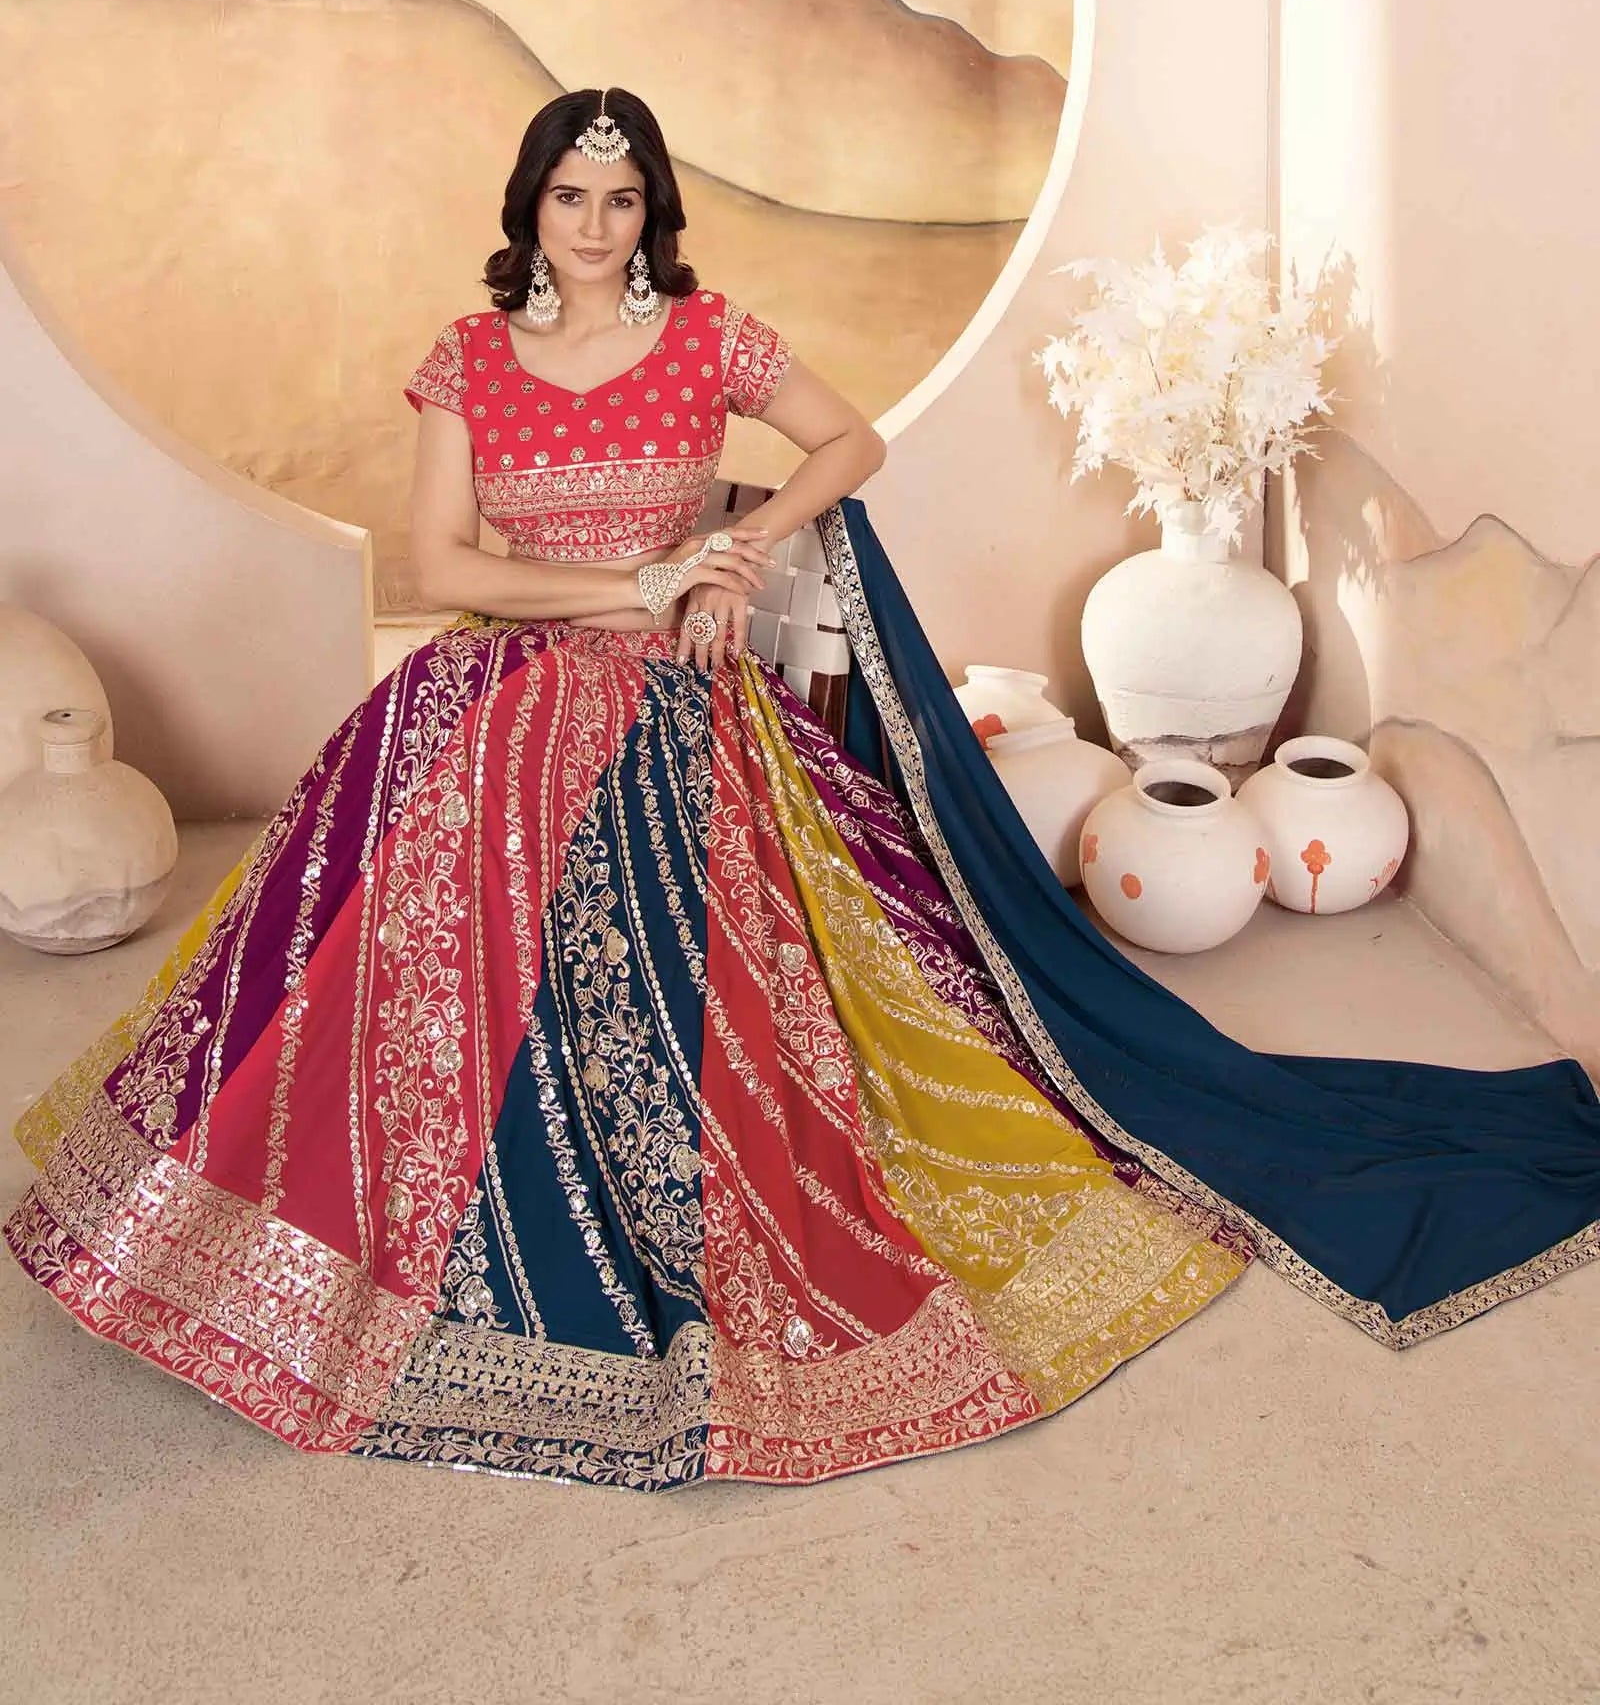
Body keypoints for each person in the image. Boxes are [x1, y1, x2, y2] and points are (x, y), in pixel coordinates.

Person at [7, 88, 1598, 1490]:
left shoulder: (714, 339)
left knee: (746, 948)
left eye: (621, 197)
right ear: (529, 207)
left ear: (651, 211)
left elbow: (851, 445)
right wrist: (640, 585)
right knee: (398, 896)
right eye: (569, 194)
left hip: (674, 692)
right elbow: (446, 565)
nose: (592, 224)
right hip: (506, 680)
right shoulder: (468, 358)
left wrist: (740, 546)